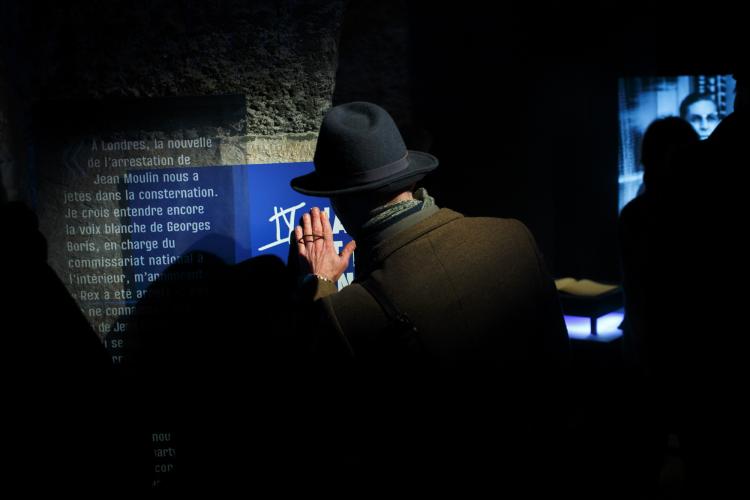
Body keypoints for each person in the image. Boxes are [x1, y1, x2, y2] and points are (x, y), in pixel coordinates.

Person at [287, 101, 569, 494]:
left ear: (340, 203)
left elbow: (319, 412)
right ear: (409, 178)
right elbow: (559, 371)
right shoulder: (513, 236)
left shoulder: (349, 315)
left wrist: (318, 284)